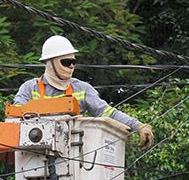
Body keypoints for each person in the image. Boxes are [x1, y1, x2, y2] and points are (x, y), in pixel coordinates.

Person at [14, 35, 156, 147]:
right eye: (66, 62)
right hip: (34, 156)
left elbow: (107, 112)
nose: (71, 66)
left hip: (72, 158)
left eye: (73, 62)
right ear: (50, 63)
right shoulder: (29, 88)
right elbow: (14, 119)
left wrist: (138, 126)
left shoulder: (82, 89)